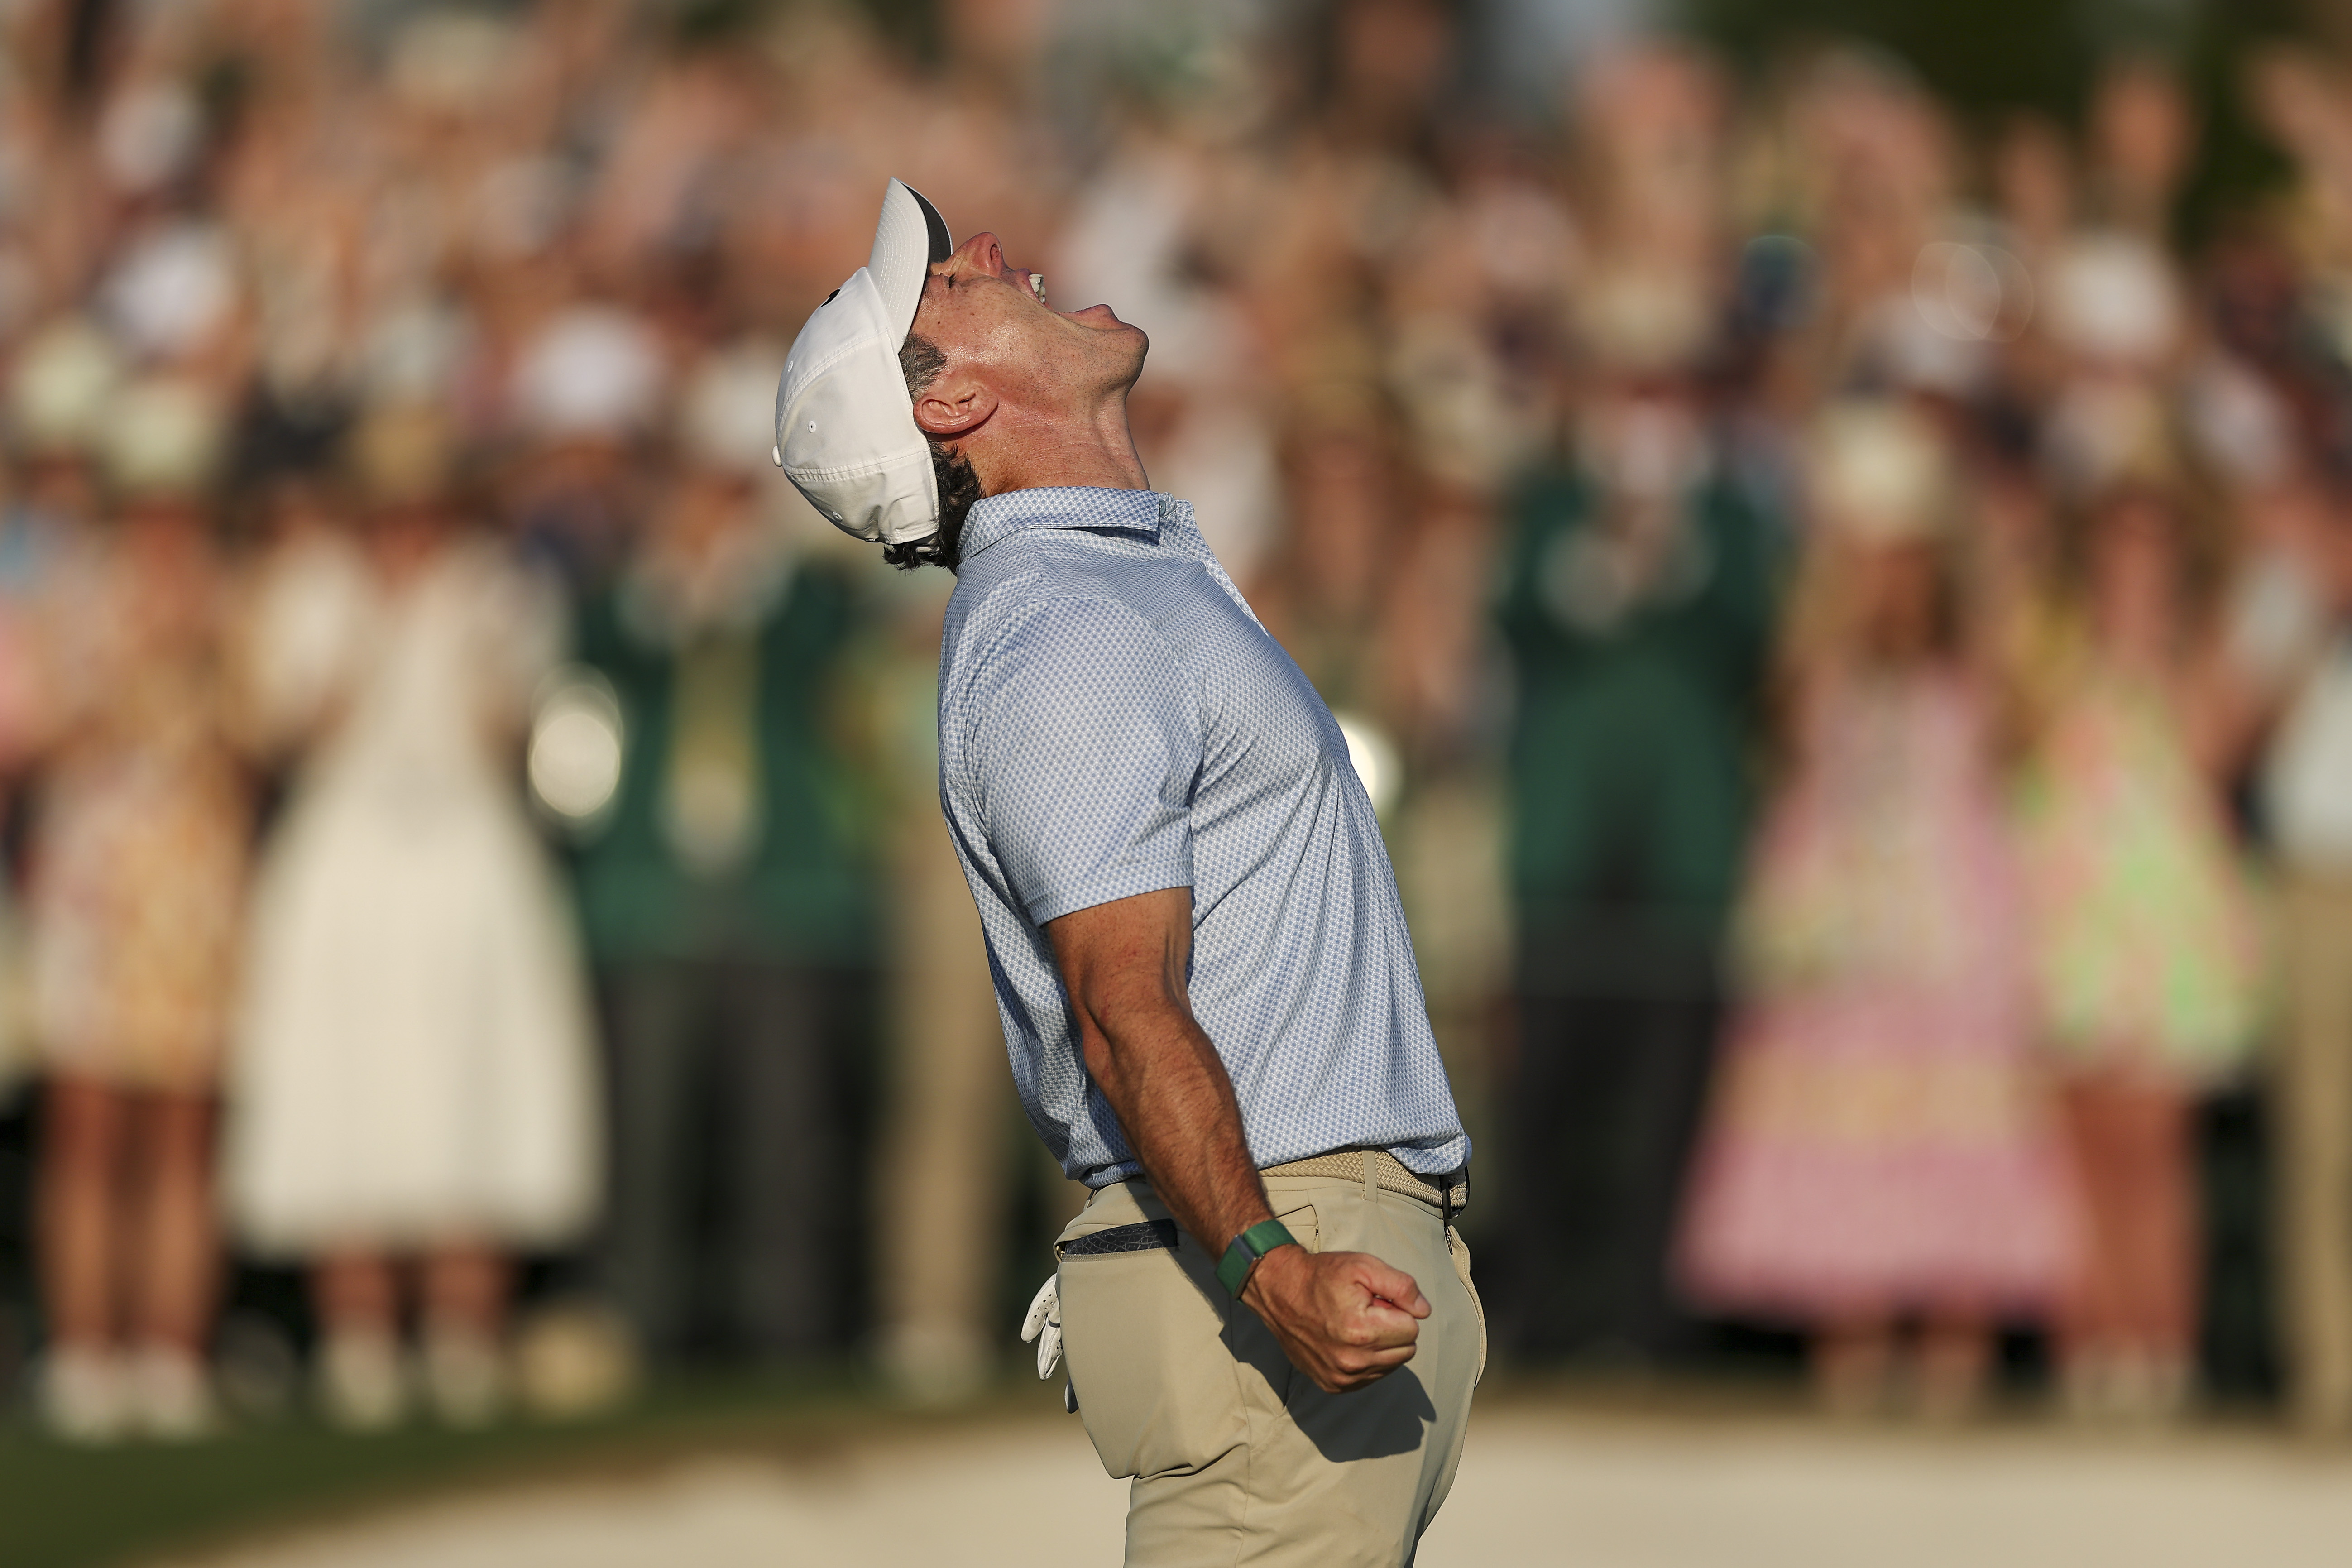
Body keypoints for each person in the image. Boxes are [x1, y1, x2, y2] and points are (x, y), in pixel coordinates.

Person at [771, 181, 1479, 1563]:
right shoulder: (1067, 629)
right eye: (948, 287)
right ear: (949, 407)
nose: (983, 251)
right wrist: (1265, 1269)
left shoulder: (1107, 589)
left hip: (1289, 1247)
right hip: (1267, 1266)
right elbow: (1118, 1005)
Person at [1675, 404, 2076, 1419]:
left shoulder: (1976, 669)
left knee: (1961, 1145)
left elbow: (2026, 718)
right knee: (1846, 1142)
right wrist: (1834, 571)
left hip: (1955, 940)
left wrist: (1974, 550)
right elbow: (1790, 698)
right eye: (1870, 558)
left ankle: (1952, 1383)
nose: (1887, 578)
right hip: (1842, 940)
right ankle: (1851, 1381)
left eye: (1903, 558)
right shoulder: (1826, 668)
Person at [224, 406, 600, 1430]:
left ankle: (462, 1338)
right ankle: (360, 1344)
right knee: (345, 1083)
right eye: (390, 508)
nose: (407, 526)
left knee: (469, 1082)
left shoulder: (500, 589)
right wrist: (368, 633)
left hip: (467, 852)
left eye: (423, 507)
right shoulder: (308, 590)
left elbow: (510, 736)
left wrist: (458, 640)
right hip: (345, 854)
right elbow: (279, 734)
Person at [566, 346, 876, 1365]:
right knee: (647, 1131)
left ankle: (787, 1330)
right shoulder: (631, 600)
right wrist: (674, 578)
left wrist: (748, 567)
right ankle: (643, 1320)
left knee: (783, 1136)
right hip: (655, 895)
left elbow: (826, 659)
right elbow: (594, 667)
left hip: (782, 897)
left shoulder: (801, 594)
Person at [27, 379, 250, 1442]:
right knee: (87, 1123)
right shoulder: (66, 594)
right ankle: (84, 1352)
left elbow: (261, 732)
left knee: (183, 1125)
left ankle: (169, 1351)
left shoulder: (235, 598)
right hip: (96, 877)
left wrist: (205, 659)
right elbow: (35, 732)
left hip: (197, 880)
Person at [2017, 475, 2266, 1421]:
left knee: (2152, 1154)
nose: (2136, 564)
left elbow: (2215, 750)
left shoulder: (2201, 657)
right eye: (2120, 546)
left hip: (2163, 932)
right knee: (2074, 1155)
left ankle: (2160, 1353)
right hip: (2071, 921)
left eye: (2153, 547)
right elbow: (2022, 743)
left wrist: (2165, 647)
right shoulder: (2054, 653)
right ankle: (2088, 1356)